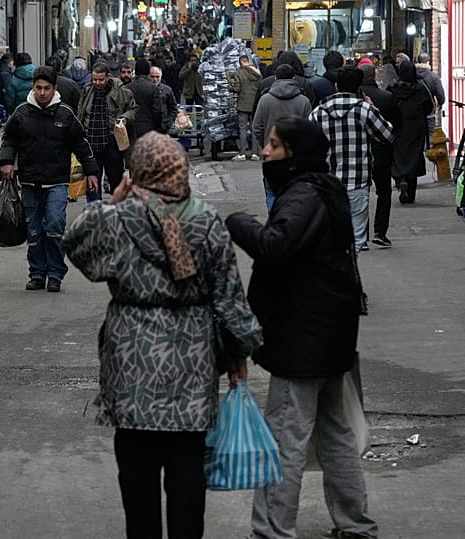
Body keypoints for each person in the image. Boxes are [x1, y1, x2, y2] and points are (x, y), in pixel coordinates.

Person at [64, 130, 263, 539]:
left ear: (136, 172)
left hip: (131, 352)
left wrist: (114, 200)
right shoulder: (206, 221)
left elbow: (77, 246)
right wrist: (239, 352)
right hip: (192, 354)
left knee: (136, 471)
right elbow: (229, 295)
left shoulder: (118, 220)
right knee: (187, 465)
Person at [225, 116, 377, 539]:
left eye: (273, 145)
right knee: (335, 433)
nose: (264, 152)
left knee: (284, 438)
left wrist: (238, 222)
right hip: (330, 333)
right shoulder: (323, 188)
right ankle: (354, 523)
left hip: (303, 338)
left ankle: (273, 529)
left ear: (293, 152)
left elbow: (276, 246)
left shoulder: (302, 195)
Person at [0, 66, 98, 293]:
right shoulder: (21, 113)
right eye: (38, 88)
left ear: (54, 89)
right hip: (30, 181)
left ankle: (55, 273)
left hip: (57, 182)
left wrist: (92, 171)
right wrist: (6, 161)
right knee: (34, 230)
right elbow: (9, 140)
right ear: (33, 88)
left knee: (54, 225)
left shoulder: (65, 115)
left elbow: (81, 145)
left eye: (47, 88)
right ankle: (37, 273)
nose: (42, 93)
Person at [309, 66, 393, 252]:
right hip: (357, 181)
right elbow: (387, 135)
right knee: (356, 239)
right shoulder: (364, 110)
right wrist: (373, 107)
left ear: (336, 86)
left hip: (327, 183)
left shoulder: (318, 113)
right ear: (358, 87)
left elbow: (305, 144)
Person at [253, 64, 312, 210]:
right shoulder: (304, 101)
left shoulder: (265, 100)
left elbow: (257, 127)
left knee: (272, 192)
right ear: (293, 78)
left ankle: (276, 220)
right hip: (297, 156)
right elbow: (310, 128)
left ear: (275, 77)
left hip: (272, 157)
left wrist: (267, 143)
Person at [77, 62, 138, 201]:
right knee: (92, 181)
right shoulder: (87, 91)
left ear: (108, 77)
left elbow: (133, 109)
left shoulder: (121, 91)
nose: (97, 83)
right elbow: (81, 114)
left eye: (101, 79)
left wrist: (124, 118)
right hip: (91, 143)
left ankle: (117, 209)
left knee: (116, 179)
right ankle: (94, 213)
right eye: (94, 79)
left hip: (112, 142)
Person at [358, 63, 402, 248]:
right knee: (384, 193)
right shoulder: (386, 97)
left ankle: (362, 234)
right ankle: (380, 232)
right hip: (382, 152)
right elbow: (397, 123)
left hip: (359, 154)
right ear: (374, 75)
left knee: (361, 193)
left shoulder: (355, 100)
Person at [387, 60, 434, 204]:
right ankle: (411, 191)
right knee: (414, 155)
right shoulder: (420, 88)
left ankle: (400, 179)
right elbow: (429, 106)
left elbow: (387, 106)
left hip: (398, 126)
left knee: (398, 154)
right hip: (415, 126)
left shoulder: (392, 88)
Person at [227, 55, 262, 161]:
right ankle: (255, 153)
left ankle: (242, 153)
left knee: (243, 129)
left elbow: (237, 88)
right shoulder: (257, 72)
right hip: (255, 104)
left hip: (243, 104)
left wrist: (230, 87)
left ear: (241, 62)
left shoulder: (239, 72)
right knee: (254, 129)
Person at [126, 59, 163, 138]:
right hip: (149, 127)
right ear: (148, 71)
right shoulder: (153, 88)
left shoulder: (128, 88)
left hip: (131, 127)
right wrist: (158, 127)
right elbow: (157, 111)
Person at [414, 53, 445, 147]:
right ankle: (429, 151)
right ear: (428, 62)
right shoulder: (433, 77)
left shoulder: (411, 75)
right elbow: (440, 95)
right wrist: (440, 103)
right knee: (430, 132)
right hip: (429, 109)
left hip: (414, 109)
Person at [149, 64, 178, 133]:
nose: (155, 79)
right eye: (152, 77)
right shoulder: (145, 89)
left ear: (161, 76)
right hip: (149, 125)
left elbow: (173, 108)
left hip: (163, 126)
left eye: (157, 77)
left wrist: (168, 124)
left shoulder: (167, 90)